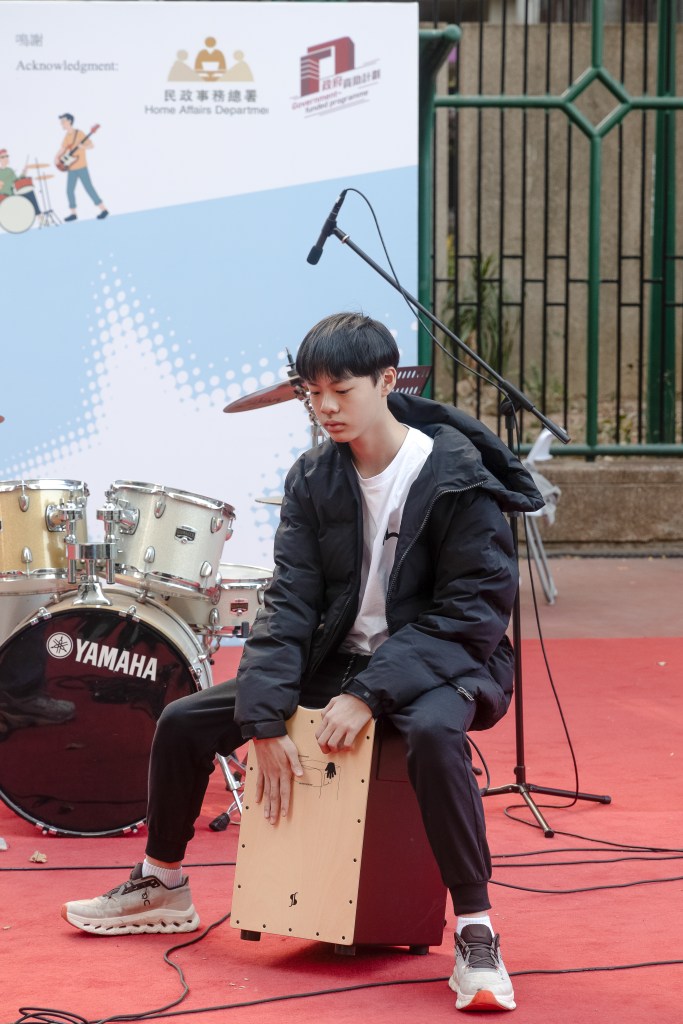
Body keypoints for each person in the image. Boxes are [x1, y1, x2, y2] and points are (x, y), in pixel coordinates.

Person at [61, 313, 543, 1013]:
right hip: (338, 655)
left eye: (339, 391)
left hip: (445, 658)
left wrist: (370, 693)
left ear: (386, 380)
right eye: (311, 393)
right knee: (185, 721)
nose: (324, 408)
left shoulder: (457, 477)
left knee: (436, 735)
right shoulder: (314, 477)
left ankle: (476, 930)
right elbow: (288, 603)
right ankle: (161, 882)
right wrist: (262, 718)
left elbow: (471, 613)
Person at [55, 114, 108, 222]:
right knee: (69, 191)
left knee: (89, 188)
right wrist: (56, 157)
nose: (61, 123)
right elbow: (63, 148)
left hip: (82, 167)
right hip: (71, 168)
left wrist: (83, 147)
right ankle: (73, 214)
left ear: (69, 121)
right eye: (61, 122)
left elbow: (91, 145)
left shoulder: (79, 133)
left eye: (63, 121)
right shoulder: (67, 136)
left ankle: (104, 210)